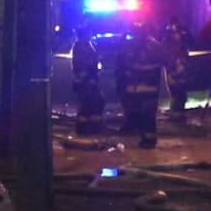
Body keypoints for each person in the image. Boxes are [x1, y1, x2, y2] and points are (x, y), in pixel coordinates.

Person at [115, 17, 169, 148]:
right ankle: (144, 138)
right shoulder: (131, 46)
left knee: (148, 116)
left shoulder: (155, 46)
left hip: (149, 89)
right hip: (134, 90)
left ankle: (149, 141)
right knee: (136, 115)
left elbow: (166, 61)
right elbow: (123, 64)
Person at [70, 20, 105, 135]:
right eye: (89, 33)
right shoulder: (81, 46)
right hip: (86, 81)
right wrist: (89, 76)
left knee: (94, 103)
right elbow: (85, 64)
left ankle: (91, 127)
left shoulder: (86, 45)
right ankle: (85, 129)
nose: (91, 34)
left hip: (88, 80)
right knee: (88, 105)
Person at [163, 16, 194, 122]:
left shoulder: (184, 34)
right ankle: (175, 114)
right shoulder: (167, 37)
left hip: (182, 66)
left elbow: (190, 43)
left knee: (182, 90)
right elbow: (166, 52)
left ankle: (180, 113)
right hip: (172, 68)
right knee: (174, 92)